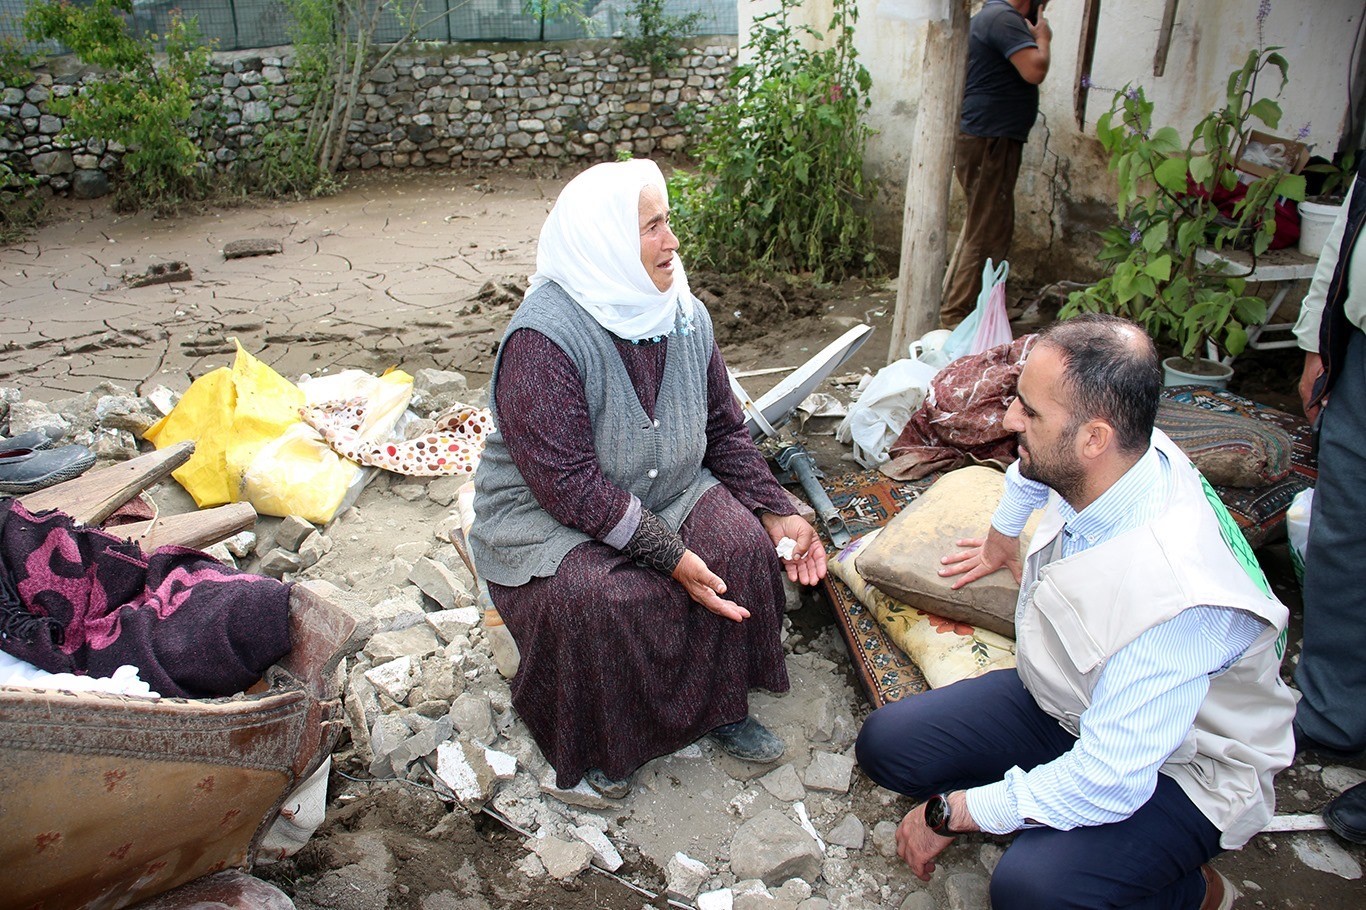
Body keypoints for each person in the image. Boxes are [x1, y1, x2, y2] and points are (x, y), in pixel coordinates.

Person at [856, 314, 1297, 909]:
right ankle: (1043, 804)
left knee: (1032, 891)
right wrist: (1001, 538)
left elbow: (1110, 779)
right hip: (1074, 700)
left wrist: (953, 812)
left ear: (1093, 436)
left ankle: (1186, 889)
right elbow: (1028, 471)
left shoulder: (1177, 598)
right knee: (888, 745)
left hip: (1183, 765)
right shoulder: (1124, 454)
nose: (1010, 420)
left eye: (1029, 413)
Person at [468, 159, 828, 796]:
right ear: (605, 242)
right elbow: (570, 485)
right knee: (604, 599)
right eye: (653, 227)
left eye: (669, 222)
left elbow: (723, 429)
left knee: (744, 546)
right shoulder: (542, 340)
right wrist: (670, 554)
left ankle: (717, 707)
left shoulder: (683, 316)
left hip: (665, 487)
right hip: (547, 519)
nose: (673, 241)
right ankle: (609, 740)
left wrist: (778, 509)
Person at [1290, 158, 1366, 843]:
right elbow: (1350, 224)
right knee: (1343, 536)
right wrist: (1321, 338)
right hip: (1364, 347)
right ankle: (1331, 713)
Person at [941, 0, 1052, 329]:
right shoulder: (1003, 17)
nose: (1041, 11)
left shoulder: (992, 16)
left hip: (990, 136)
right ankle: (957, 316)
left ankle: (983, 307)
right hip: (991, 138)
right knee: (986, 228)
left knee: (993, 225)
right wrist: (1043, 37)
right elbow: (1035, 69)